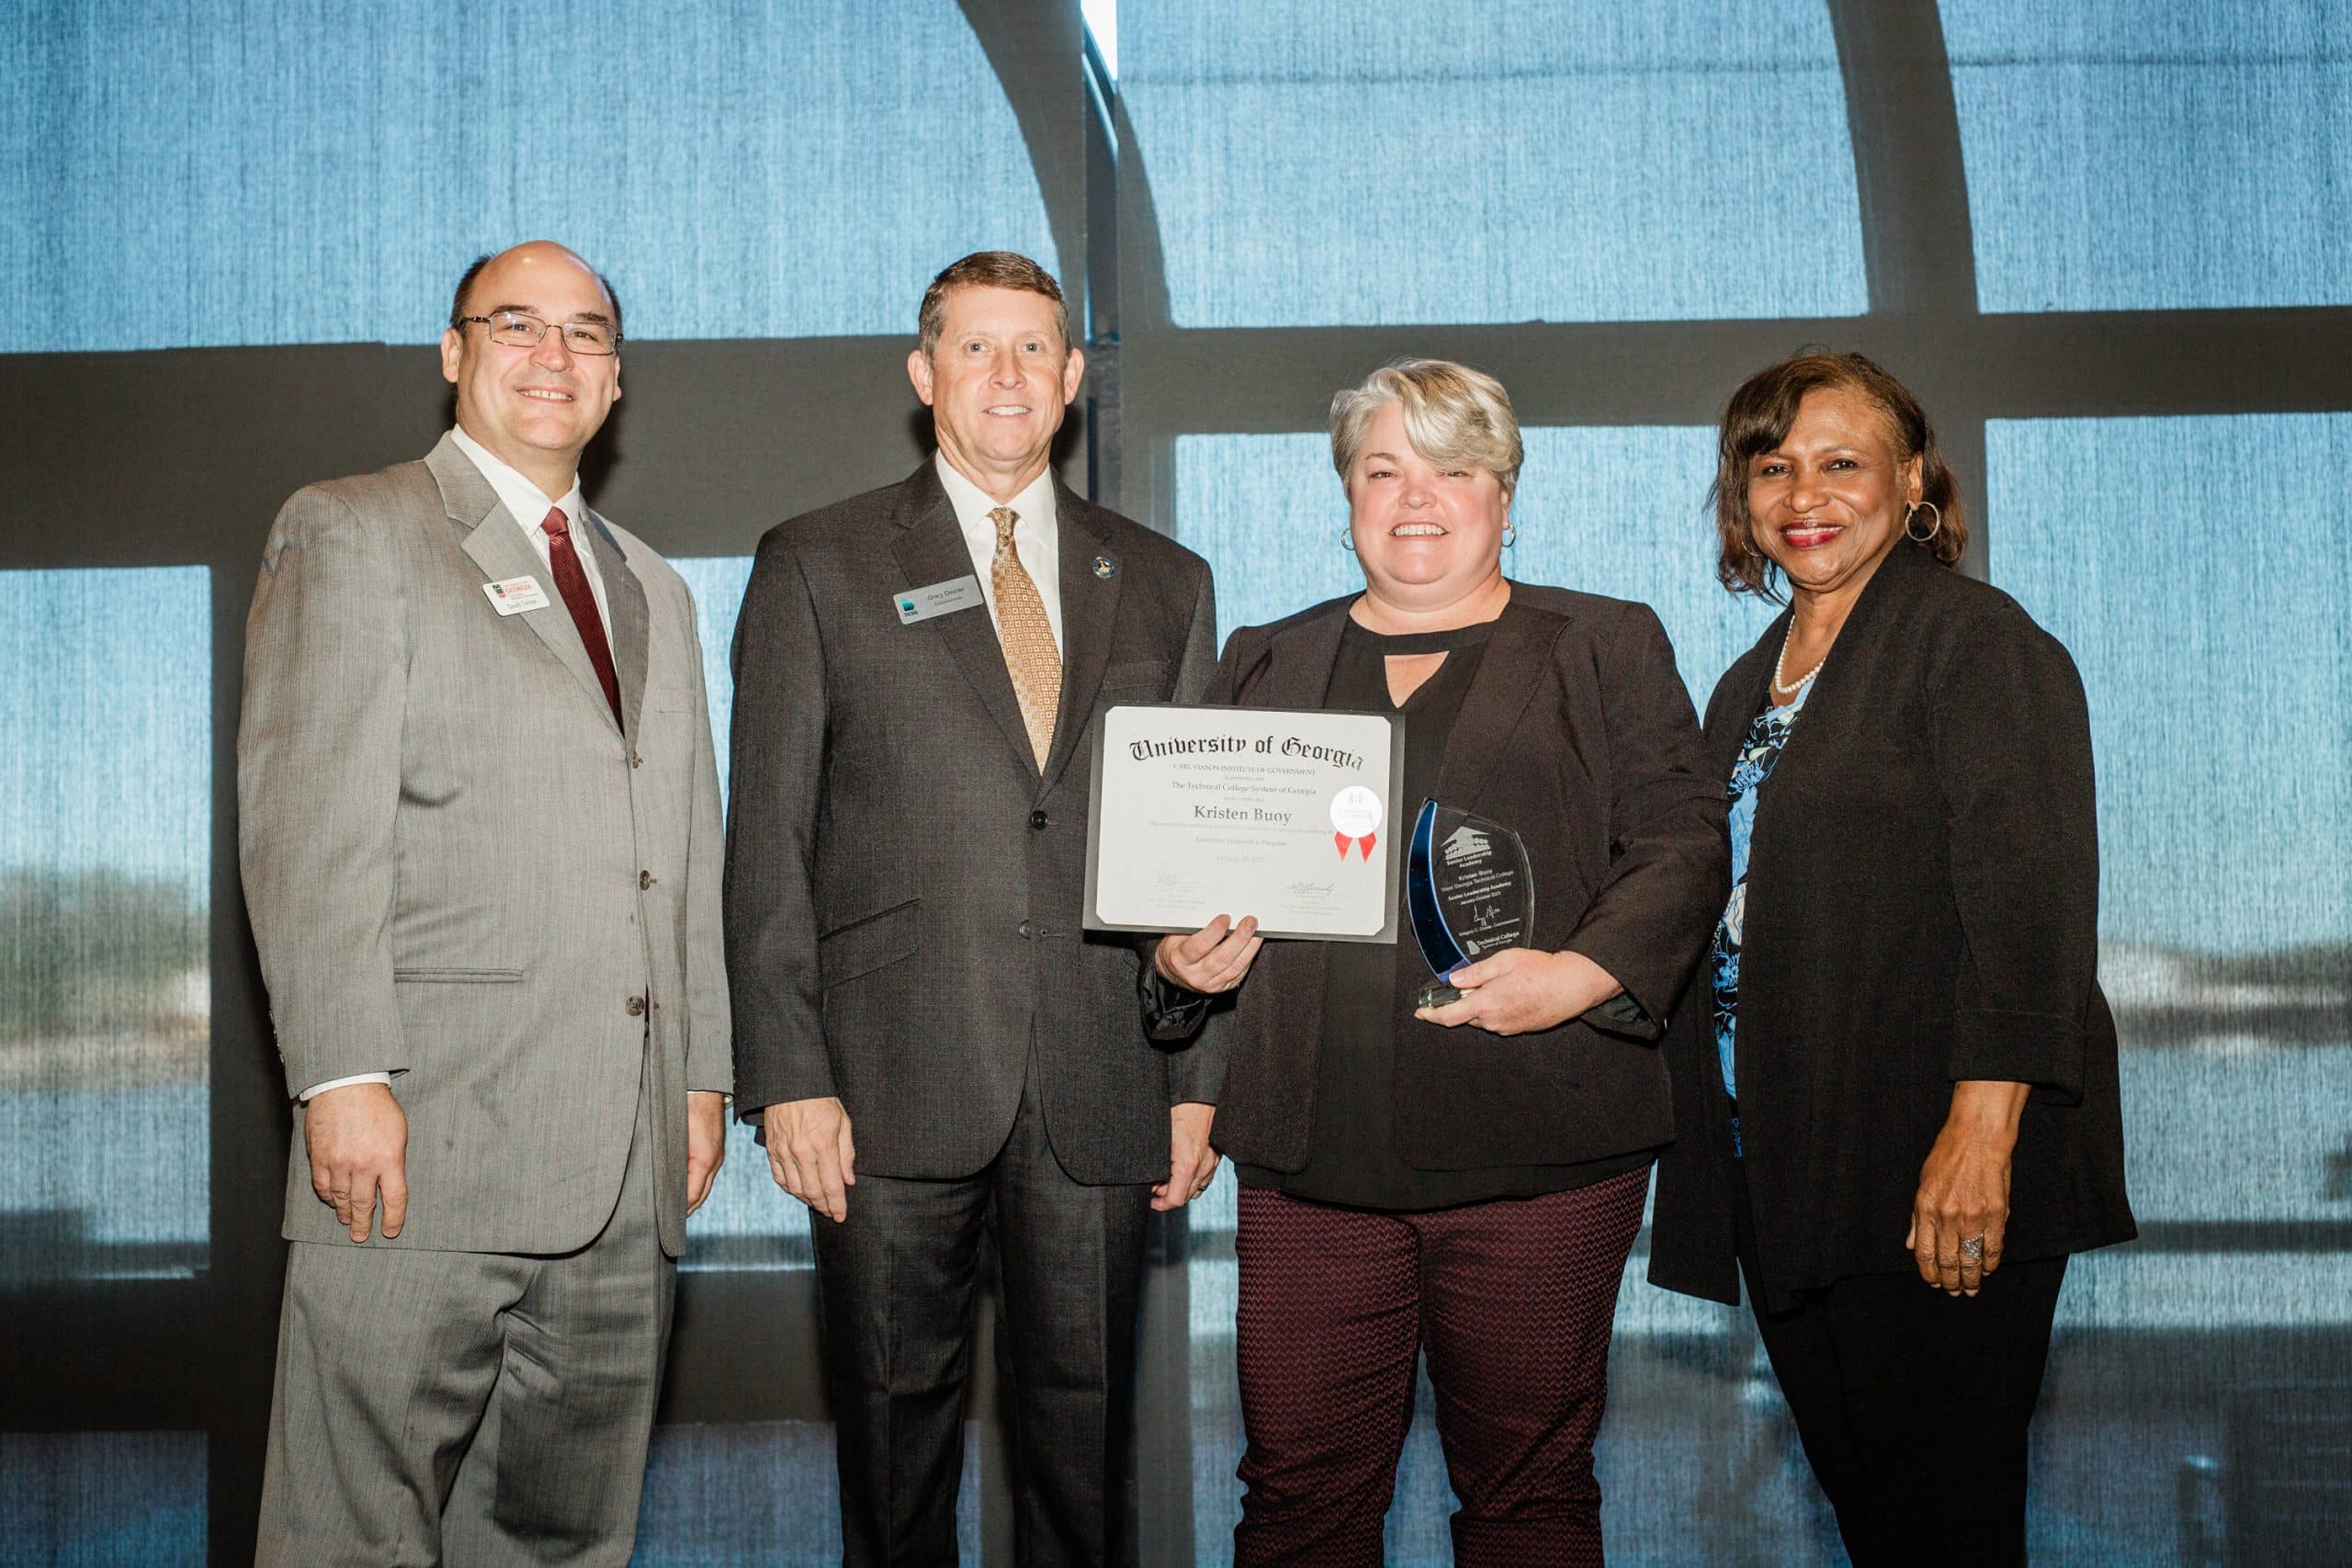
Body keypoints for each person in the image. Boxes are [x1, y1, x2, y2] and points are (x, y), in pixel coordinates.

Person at [1154, 358, 1726, 1565]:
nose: (1418, 498)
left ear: (1505, 494)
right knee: (1298, 1495)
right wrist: (1179, 958)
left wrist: (1582, 975)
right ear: (1346, 493)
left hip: (1541, 1157)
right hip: (1311, 1160)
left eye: (1454, 469)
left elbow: (1683, 839)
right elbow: (1200, 873)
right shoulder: (1267, 657)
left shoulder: (1603, 644)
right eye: (1384, 469)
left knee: (1529, 1495)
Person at [725, 251, 1236, 1565]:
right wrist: (787, 1074)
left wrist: (1196, 1076)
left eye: (1034, 352)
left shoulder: (1168, 581)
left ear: (1071, 380)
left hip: (1105, 1073)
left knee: (1087, 1463)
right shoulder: (817, 563)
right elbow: (768, 839)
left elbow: (1199, 852)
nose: (1006, 376)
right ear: (923, 375)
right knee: (894, 1458)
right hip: (883, 1083)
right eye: (974, 349)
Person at [238, 240, 732, 1563]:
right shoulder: (352, 529)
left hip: (626, 1163)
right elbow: (308, 831)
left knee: (563, 1541)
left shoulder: (658, 589)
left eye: (586, 334)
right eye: (516, 325)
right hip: (418, 1147)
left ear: (617, 382)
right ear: (453, 354)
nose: (553, 357)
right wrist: (340, 1074)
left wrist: (703, 1076)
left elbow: (684, 845)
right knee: (354, 1533)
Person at [1647, 351, 2137, 1565]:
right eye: (1774, 466)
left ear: (1911, 479)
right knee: (1879, 1525)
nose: (1803, 493)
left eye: (1840, 462)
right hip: (1794, 1174)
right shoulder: (1741, 691)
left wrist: (1979, 1140)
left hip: (1934, 1170)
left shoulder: (1974, 643)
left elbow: (2029, 910)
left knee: (1945, 1527)